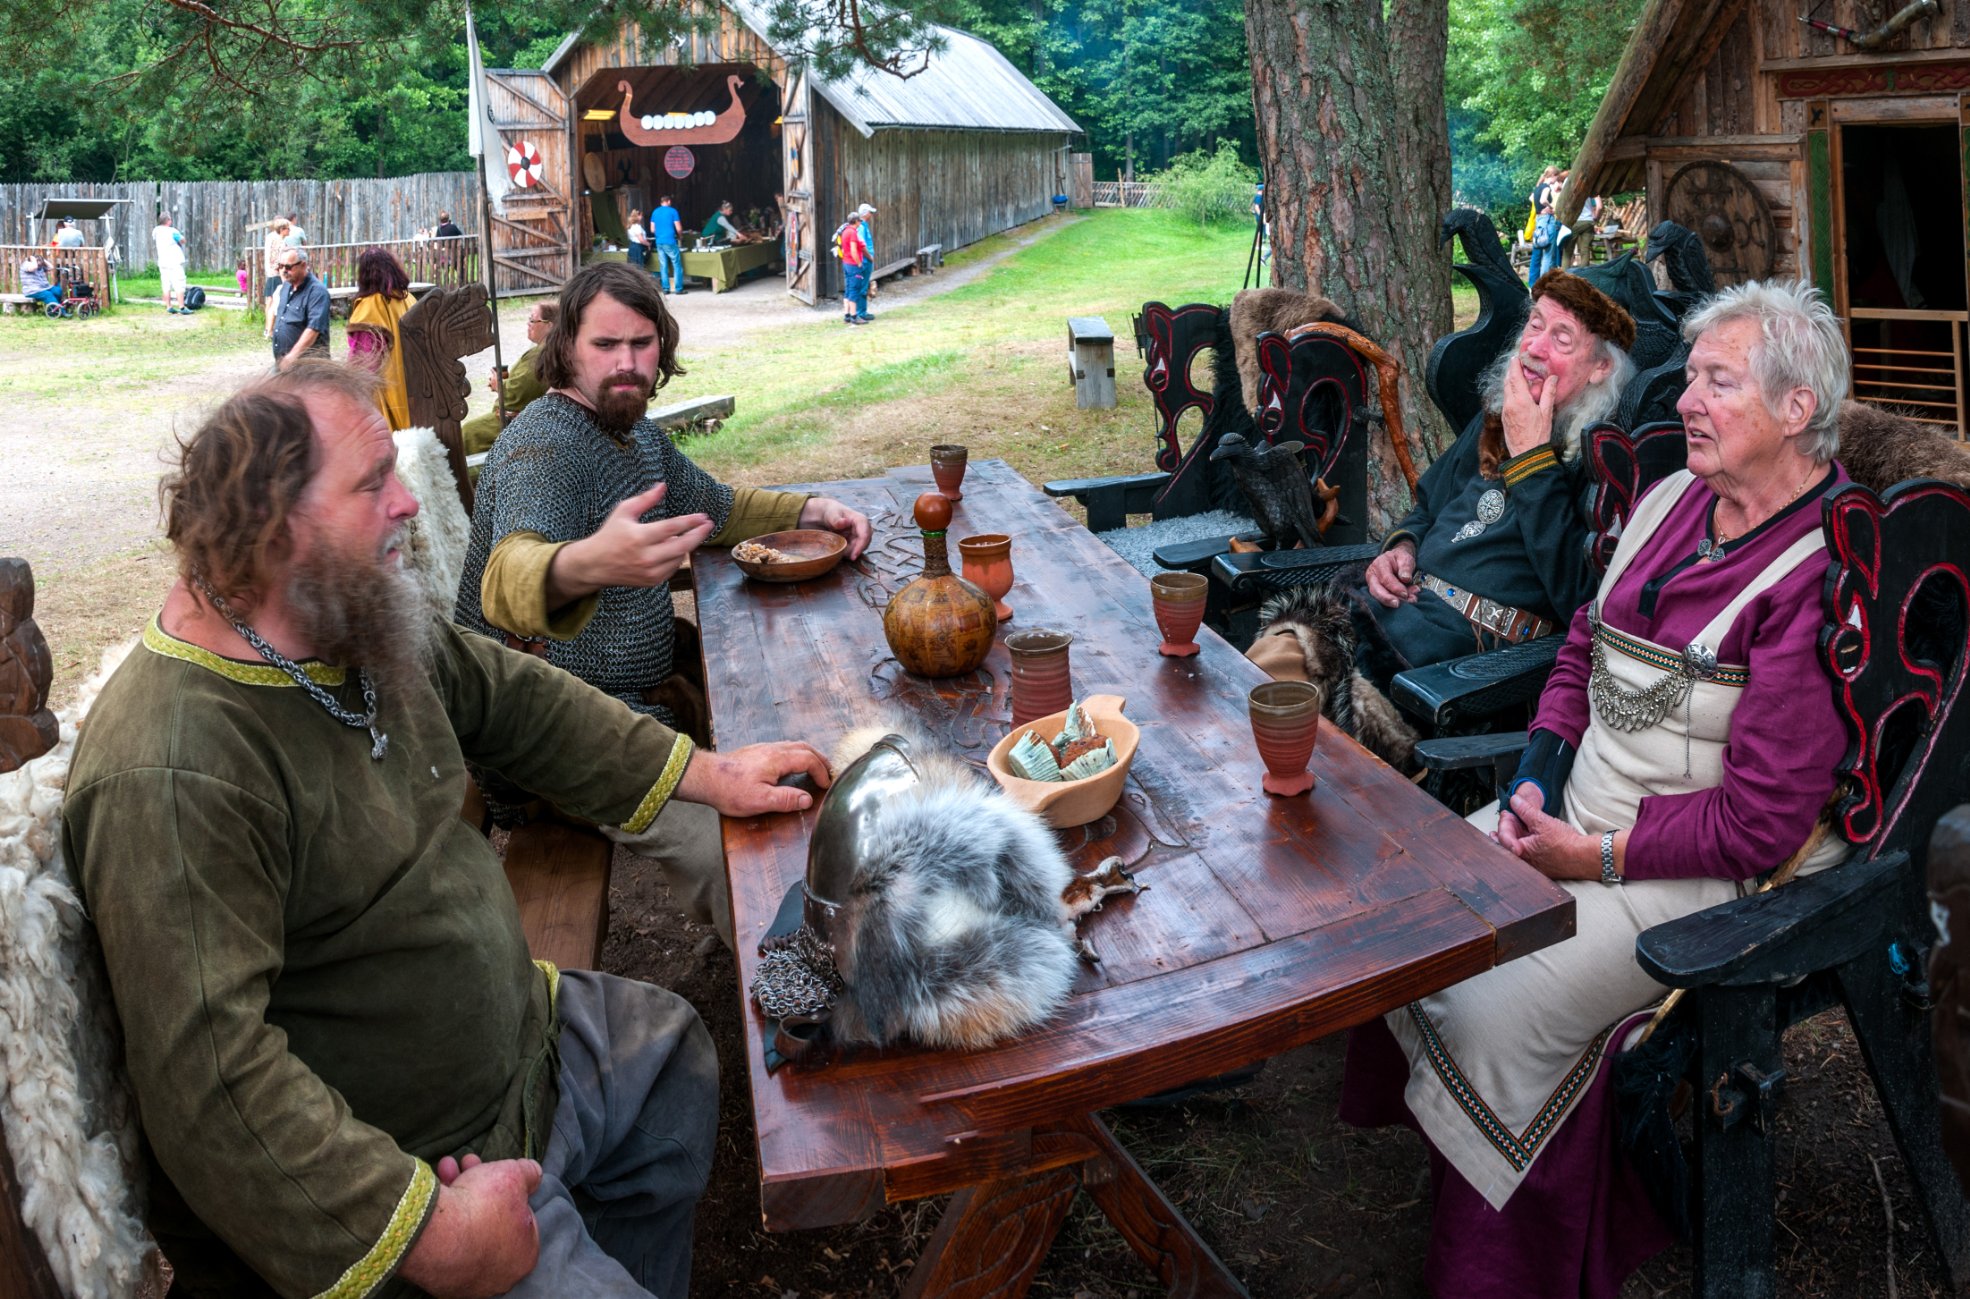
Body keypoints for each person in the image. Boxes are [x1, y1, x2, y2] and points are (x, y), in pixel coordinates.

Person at [63, 358, 833, 1299]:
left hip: (524, 1052)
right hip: (421, 1170)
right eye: (371, 483)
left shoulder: (339, 623)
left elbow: (516, 699)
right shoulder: (175, 766)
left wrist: (711, 772)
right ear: (274, 529)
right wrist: (431, 1236)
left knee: (669, 1057)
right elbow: (213, 1089)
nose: (410, 504)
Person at [1340, 280, 1855, 1298]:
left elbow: (1760, 824)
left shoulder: (1814, 570)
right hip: (1572, 815)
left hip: (1703, 876)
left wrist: (1594, 857)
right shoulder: (1672, 500)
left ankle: (1499, 1268)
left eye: (1716, 381)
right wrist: (1536, 781)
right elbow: (1578, 649)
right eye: (1690, 377)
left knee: (1492, 1014)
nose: (1685, 402)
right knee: (1404, 918)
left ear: (1795, 410)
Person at [454, 262, 871, 942]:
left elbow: (719, 506)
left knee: (788, 722)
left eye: (642, 344)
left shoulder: (635, 435)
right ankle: (783, 969)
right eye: (605, 345)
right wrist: (585, 562)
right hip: (557, 733)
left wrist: (812, 508)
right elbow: (506, 576)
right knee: (736, 852)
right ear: (565, 348)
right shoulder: (543, 447)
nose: (626, 362)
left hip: (639, 700)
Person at [1249, 269, 1639, 696]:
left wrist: (1532, 460)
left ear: (1601, 366)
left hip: (1459, 657)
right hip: (1398, 610)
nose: (1534, 348)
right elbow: (1428, 508)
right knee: (1265, 665)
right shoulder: (1496, 418)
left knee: (1284, 692)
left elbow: (1580, 599)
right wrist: (1401, 547)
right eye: (1535, 324)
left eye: (1562, 339)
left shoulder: (1607, 461)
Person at [461, 299, 557, 459]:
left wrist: (498, 384)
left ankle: (467, 481)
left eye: (533, 319)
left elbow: (516, 394)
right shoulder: (545, 351)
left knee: (469, 432)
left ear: (550, 325)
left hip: (520, 422)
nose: (529, 324)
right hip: (528, 417)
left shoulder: (541, 355)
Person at [346, 246, 419, 429]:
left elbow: (364, 363)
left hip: (388, 392)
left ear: (363, 274)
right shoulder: (408, 299)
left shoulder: (370, 307)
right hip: (415, 389)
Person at [269, 246, 331, 372]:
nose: (284, 271)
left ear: (303, 265)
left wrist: (292, 356)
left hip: (309, 369)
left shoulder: (317, 292)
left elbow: (313, 329)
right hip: (284, 364)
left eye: (288, 267)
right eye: (281, 266)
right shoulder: (286, 287)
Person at [836, 203, 875, 326]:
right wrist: (861, 262)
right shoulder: (855, 231)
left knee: (849, 290)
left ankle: (848, 315)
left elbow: (844, 249)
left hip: (847, 263)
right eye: (859, 220)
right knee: (857, 289)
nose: (861, 222)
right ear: (857, 221)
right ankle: (857, 315)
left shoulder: (846, 231)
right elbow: (856, 248)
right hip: (855, 264)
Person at [152, 212, 188, 315]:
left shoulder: (156, 231)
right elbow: (182, 240)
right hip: (174, 261)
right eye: (170, 219)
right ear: (168, 221)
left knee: (166, 284)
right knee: (179, 283)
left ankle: (168, 306)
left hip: (163, 261)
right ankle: (182, 307)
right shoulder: (172, 231)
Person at [262, 219, 291, 339]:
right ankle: (270, 330)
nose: (289, 230)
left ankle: (268, 329)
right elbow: (277, 260)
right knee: (274, 302)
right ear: (282, 230)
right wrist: (282, 274)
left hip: (272, 273)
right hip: (277, 274)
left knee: (270, 300)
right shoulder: (279, 242)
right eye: (288, 228)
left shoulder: (273, 239)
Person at [651, 194, 684, 294]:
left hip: (659, 242)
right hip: (669, 241)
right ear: (669, 201)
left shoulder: (655, 212)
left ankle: (666, 288)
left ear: (661, 202)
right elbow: (678, 228)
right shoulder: (673, 211)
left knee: (663, 265)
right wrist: (680, 236)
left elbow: (652, 229)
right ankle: (678, 288)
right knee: (676, 264)